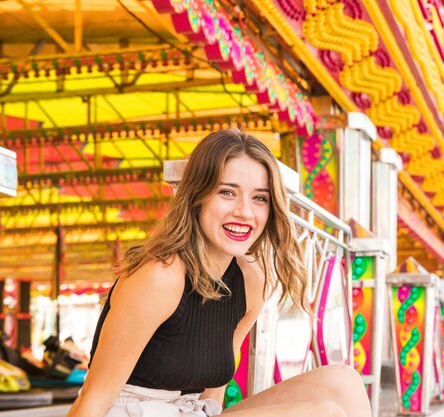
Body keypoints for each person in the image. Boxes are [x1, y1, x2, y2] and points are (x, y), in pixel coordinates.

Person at [66, 129, 371, 417]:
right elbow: (94, 398)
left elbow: (212, 394)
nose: (245, 211)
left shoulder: (251, 281)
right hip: (132, 411)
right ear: (197, 196)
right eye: (227, 192)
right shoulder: (161, 276)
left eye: (259, 198)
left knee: (343, 382)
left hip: (188, 411)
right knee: (323, 415)